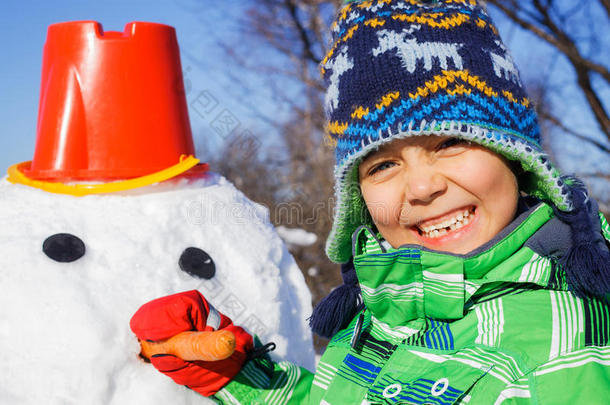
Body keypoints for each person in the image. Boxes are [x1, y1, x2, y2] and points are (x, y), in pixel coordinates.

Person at [130, 0, 610, 403]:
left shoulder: (568, 354)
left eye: (449, 143)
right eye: (381, 166)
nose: (421, 189)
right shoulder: (387, 308)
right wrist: (238, 374)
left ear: (515, 154)